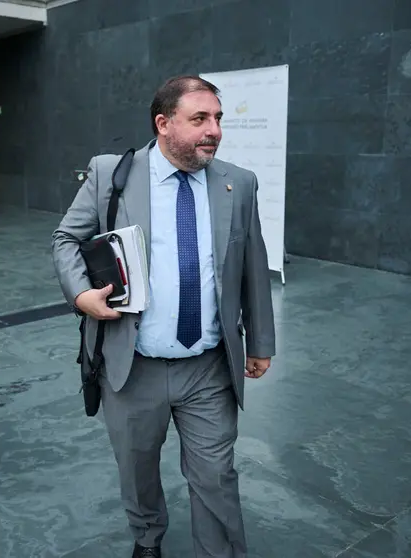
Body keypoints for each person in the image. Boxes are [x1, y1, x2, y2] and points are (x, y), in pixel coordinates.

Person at [51, 75, 277, 558]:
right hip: (133, 365)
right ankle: (147, 540)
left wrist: (259, 341)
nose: (213, 129)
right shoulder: (112, 174)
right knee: (137, 469)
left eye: (217, 118)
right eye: (199, 119)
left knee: (217, 475)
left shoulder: (239, 183)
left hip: (208, 366)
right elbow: (65, 239)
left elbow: (252, 267)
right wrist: (81, 295)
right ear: (163, 124)